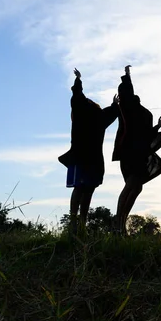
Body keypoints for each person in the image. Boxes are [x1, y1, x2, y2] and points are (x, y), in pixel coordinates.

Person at [58, 68, 119, 235]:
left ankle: (77, 223)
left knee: (81, 188)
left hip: (83, 156)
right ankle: (78, 223)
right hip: (89, 158)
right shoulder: (95, 115)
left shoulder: (84, 113)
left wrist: (78, 81)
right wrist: (114, 105)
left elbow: (78, 96)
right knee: (84, 189)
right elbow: (110, 112)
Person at [112, 65, 161, 235]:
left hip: (139, 156)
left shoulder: (142, 114)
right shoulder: (129, 111)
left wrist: (158, 126)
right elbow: (126, 94)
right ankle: (118, 223)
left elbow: (147, 135)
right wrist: (127, 77)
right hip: (129, 155)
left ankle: (121, 223)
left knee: (136, 187)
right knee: (132, 185)